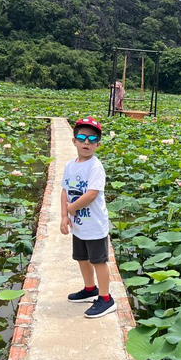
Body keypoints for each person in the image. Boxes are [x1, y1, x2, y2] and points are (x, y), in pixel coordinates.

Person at [60, 116, 115, 318]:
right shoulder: (70, 166)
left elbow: (91, 194)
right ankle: (89, 288)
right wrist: (64, 216)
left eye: (92, 139)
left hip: (95, 226)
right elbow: (64, 191)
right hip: (79, 225)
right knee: (82, 259)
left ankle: (106, 298)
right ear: (74, 140)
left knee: (98, 261)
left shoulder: (95, 166)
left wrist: (72, 208)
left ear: (98, 145)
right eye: (82, 137)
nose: (86, 142)